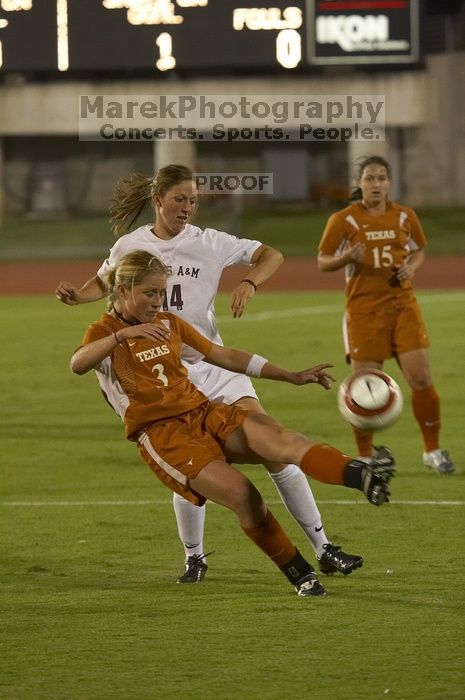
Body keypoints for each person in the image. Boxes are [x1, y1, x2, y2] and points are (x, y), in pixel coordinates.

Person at [56, 165, 363, 585]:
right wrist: (79, 297)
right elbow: (106, 281)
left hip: (213, 365)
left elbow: (270, 255)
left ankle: (323, 546)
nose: (188, 207)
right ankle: (195, 556)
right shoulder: (131, 245)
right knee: (193, 459)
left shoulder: (210, 242)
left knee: (273, 445)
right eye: (180, 199)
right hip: (162, 370)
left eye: (194, 200)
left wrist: (250, 282)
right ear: (158, 199)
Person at [69, 250, 396, 597]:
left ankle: (361, 475)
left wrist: (290, 375)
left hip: (204, 411)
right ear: (121, 291)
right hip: (164, 435)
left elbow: (222, 355)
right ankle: (300, 574)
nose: (157, 301)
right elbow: (77, 363)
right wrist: (122, 337)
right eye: (149, 293)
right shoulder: (102, 331)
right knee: (244, 495)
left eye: (161, 292)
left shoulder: (168, 322)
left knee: (279, 441)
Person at [317, 155, 454, 475]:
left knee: (421, 378)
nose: (375, 184)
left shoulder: (405, 216)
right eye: (369, 178)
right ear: (360, 184)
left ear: (389, 183)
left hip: (403, 306)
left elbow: (419, 250)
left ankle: (431, 451)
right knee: (365, 384)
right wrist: (347, 256)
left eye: (381, 178)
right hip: (363, 311)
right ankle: (365, 456)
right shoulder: (344, 220)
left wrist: (411, 267)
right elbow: (323, 261)